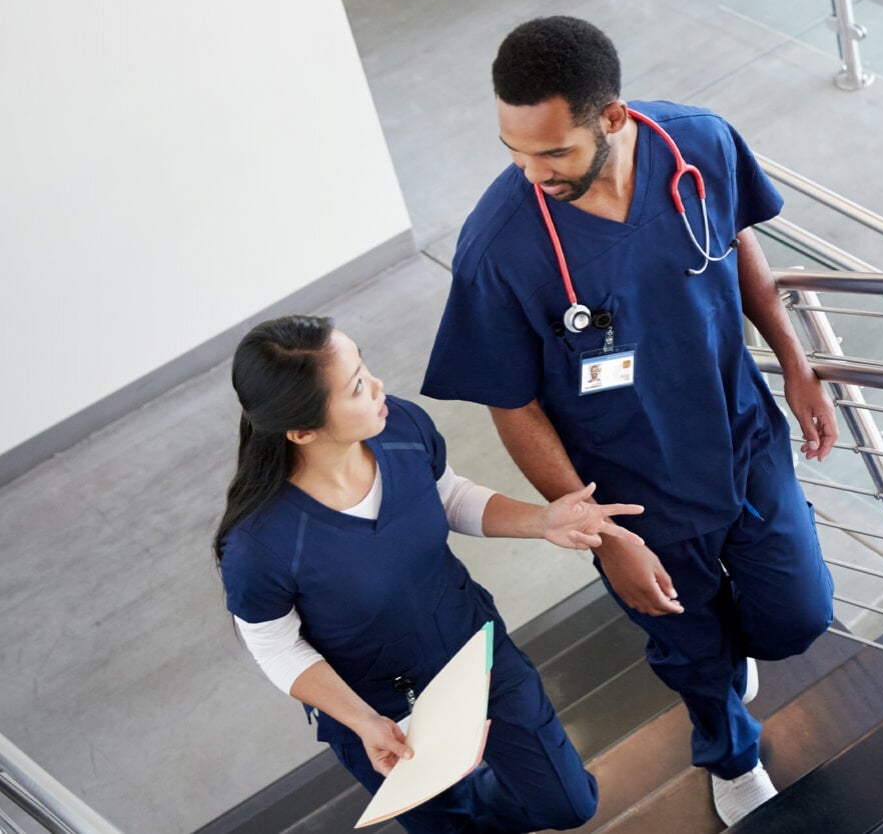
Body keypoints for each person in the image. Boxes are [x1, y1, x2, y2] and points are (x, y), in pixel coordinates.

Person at [421, 16, 837, 825]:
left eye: (554, 153)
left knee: (799, 616)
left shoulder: (699, 146)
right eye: (513, 151)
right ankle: (729, 749)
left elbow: (738, 241)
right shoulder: (500, 248)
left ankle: (730, 652)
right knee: (692, 653)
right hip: (632, 495)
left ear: (610, 118)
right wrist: (602, 533)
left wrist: (794, 359)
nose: (531, 172)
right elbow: (511, 402)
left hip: (741, 440)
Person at [217, 315, 639, 833]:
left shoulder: (402, 428)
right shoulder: (259, 544)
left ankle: (484, 796)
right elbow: (276, 647)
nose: (378, 387)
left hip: (472, 653)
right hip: (379, 709)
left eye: (364, 367)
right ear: (302, 430)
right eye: (355, 388)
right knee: (448, 825)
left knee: (567, 805)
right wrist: (363, 721)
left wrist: (541, 520)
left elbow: (447, 496)